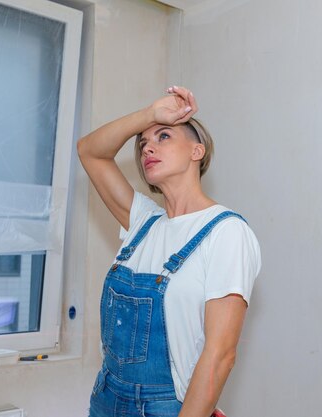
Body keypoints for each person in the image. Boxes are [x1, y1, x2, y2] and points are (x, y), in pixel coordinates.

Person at [78, 86, 261, 417]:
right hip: (105, 398)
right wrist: (150, 115)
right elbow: (89, 151)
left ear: (197, 152)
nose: (147, 146)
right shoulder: (144, 221)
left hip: (166, 407)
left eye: (163, 136)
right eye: (143, 143)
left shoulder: (227, 233)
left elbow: (220, 355)